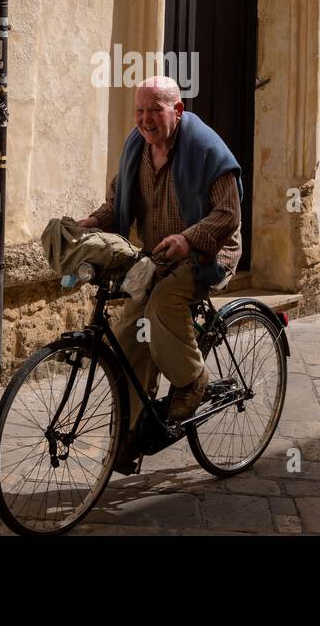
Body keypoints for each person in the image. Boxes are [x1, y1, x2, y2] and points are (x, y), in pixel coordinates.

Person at [77, 75, 242, 473]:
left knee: (163, 303)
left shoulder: (206, 148)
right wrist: (89, 224)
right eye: (140, 110)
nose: (145, 119)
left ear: (177, 110)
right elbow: (117, 202)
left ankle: (191, 382)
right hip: (157, 256)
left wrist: (189, 239)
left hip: (208, 252)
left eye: (155, 110)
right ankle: (132, 432)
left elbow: (228, 214)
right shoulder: (138, 146)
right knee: (128, 336)